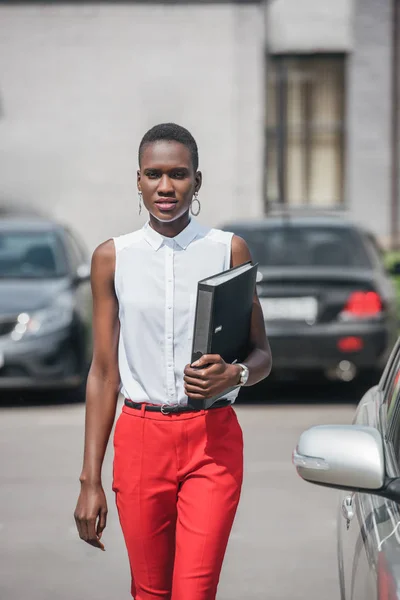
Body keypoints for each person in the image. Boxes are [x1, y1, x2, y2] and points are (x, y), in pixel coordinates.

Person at [74, 123, 272, 600]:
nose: (166, 187)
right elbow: (103, 374)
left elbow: (262, 354)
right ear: (138, 181)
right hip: (141, 441)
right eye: (154, 174)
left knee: (193, 592)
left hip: (212, 441)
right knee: (149, 592)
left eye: (179, 174)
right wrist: (89, 480)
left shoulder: (228, 250)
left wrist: (235, 373)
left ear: (197, 181)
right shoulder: (112, 258)